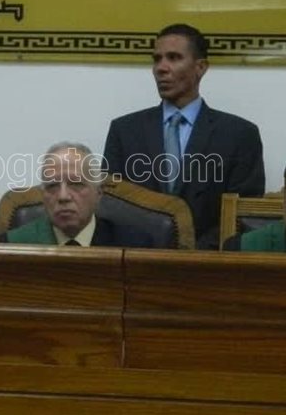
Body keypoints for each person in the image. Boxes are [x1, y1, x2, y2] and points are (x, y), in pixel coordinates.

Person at [102, 23, 264, 249]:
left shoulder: (239, 135)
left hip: (208, 262)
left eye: (174, 58)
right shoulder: (125, 131)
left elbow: (243, 216)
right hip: (137, 259)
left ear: (201, 67)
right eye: (157, 59)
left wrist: (192, 253)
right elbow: (110, 204)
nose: (161, 68)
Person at [4, 142, 162, 247]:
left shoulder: (134, 245)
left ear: (98, 193)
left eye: (76, 184)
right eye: (52, 186)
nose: (63, 196)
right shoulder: (13, 245)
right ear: (42, 195)